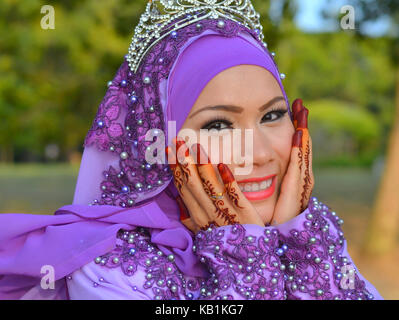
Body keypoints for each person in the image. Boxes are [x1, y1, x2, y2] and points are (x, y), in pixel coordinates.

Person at [0, 0, 383, 300]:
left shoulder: (311, 239)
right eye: (218, 124)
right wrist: (244, 257)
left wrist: (301, 246)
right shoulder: (106, 267)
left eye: (273, 115)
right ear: (160, 140)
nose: (260, 154)